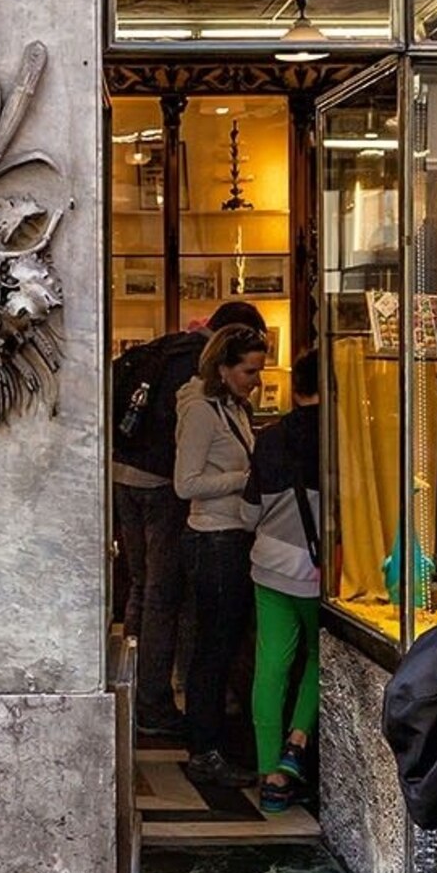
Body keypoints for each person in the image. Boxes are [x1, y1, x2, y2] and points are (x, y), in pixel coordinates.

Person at [112, 299, 265, 743]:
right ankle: (153, 702)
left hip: (126, 474)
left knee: (143, 587)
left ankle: (136, 692)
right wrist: (239, 477)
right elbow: (188, 476)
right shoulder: (199, 380)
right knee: (163, 592)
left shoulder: (167, 348)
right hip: (160, 484)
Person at [172, 320, 269, 785]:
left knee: (223, 645)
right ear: (225, 368)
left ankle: (214, 742)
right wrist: (243, 480)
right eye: (250, 371)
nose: (258, 380)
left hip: (232, 536)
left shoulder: (233, 408)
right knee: (212, 648)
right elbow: (185, 483)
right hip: (212, 540)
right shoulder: (202, 413)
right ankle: (203, 749)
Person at [244, 349, 324, 814]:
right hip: (320, 571)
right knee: (318, 656)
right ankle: (297, 743)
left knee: (271, 664)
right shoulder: (342, 434)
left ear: (295, 387)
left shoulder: (270, 438)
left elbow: (249, 511)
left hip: (270, 563)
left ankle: (269, 773)